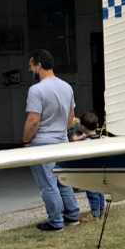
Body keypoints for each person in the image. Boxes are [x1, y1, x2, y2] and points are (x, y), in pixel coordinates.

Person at [23, 49, 80, 231]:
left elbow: (33, 120)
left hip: (42, 143)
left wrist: (25, 141)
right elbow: (71, 118)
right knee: (63, 180)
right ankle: (72, 215)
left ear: (39, 65)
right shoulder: (66, 87)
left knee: (48, 184)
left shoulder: (36, 90)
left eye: (31, 66)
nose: (30, 70)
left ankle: (55, 221)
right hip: (62, 141)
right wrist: (61, 132)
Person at [72, 112, 107, 222]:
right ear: (97, 125)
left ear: (82, 127)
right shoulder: (100, 139)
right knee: (100, 192)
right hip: (100, 171)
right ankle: (101, 213)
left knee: (92, 194)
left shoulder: (86, 143)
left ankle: (95, 216)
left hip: (90, 172)